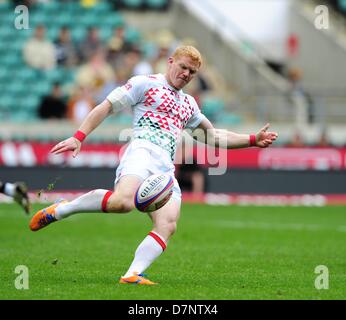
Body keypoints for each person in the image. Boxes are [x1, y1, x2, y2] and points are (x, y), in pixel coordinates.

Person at [29, 45, 278, 285]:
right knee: (122, 203)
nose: (186, 74)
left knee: (168, 223)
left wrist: (253, 140)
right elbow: (106, 107)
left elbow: (211, 137)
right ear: (170, 61)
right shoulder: (145, 83)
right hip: (141, 151)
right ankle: (63, 209)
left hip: (165, 168)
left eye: (192, 72)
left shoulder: (189, 104)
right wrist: (78, 136)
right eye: (183, 67)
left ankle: (132, 274)